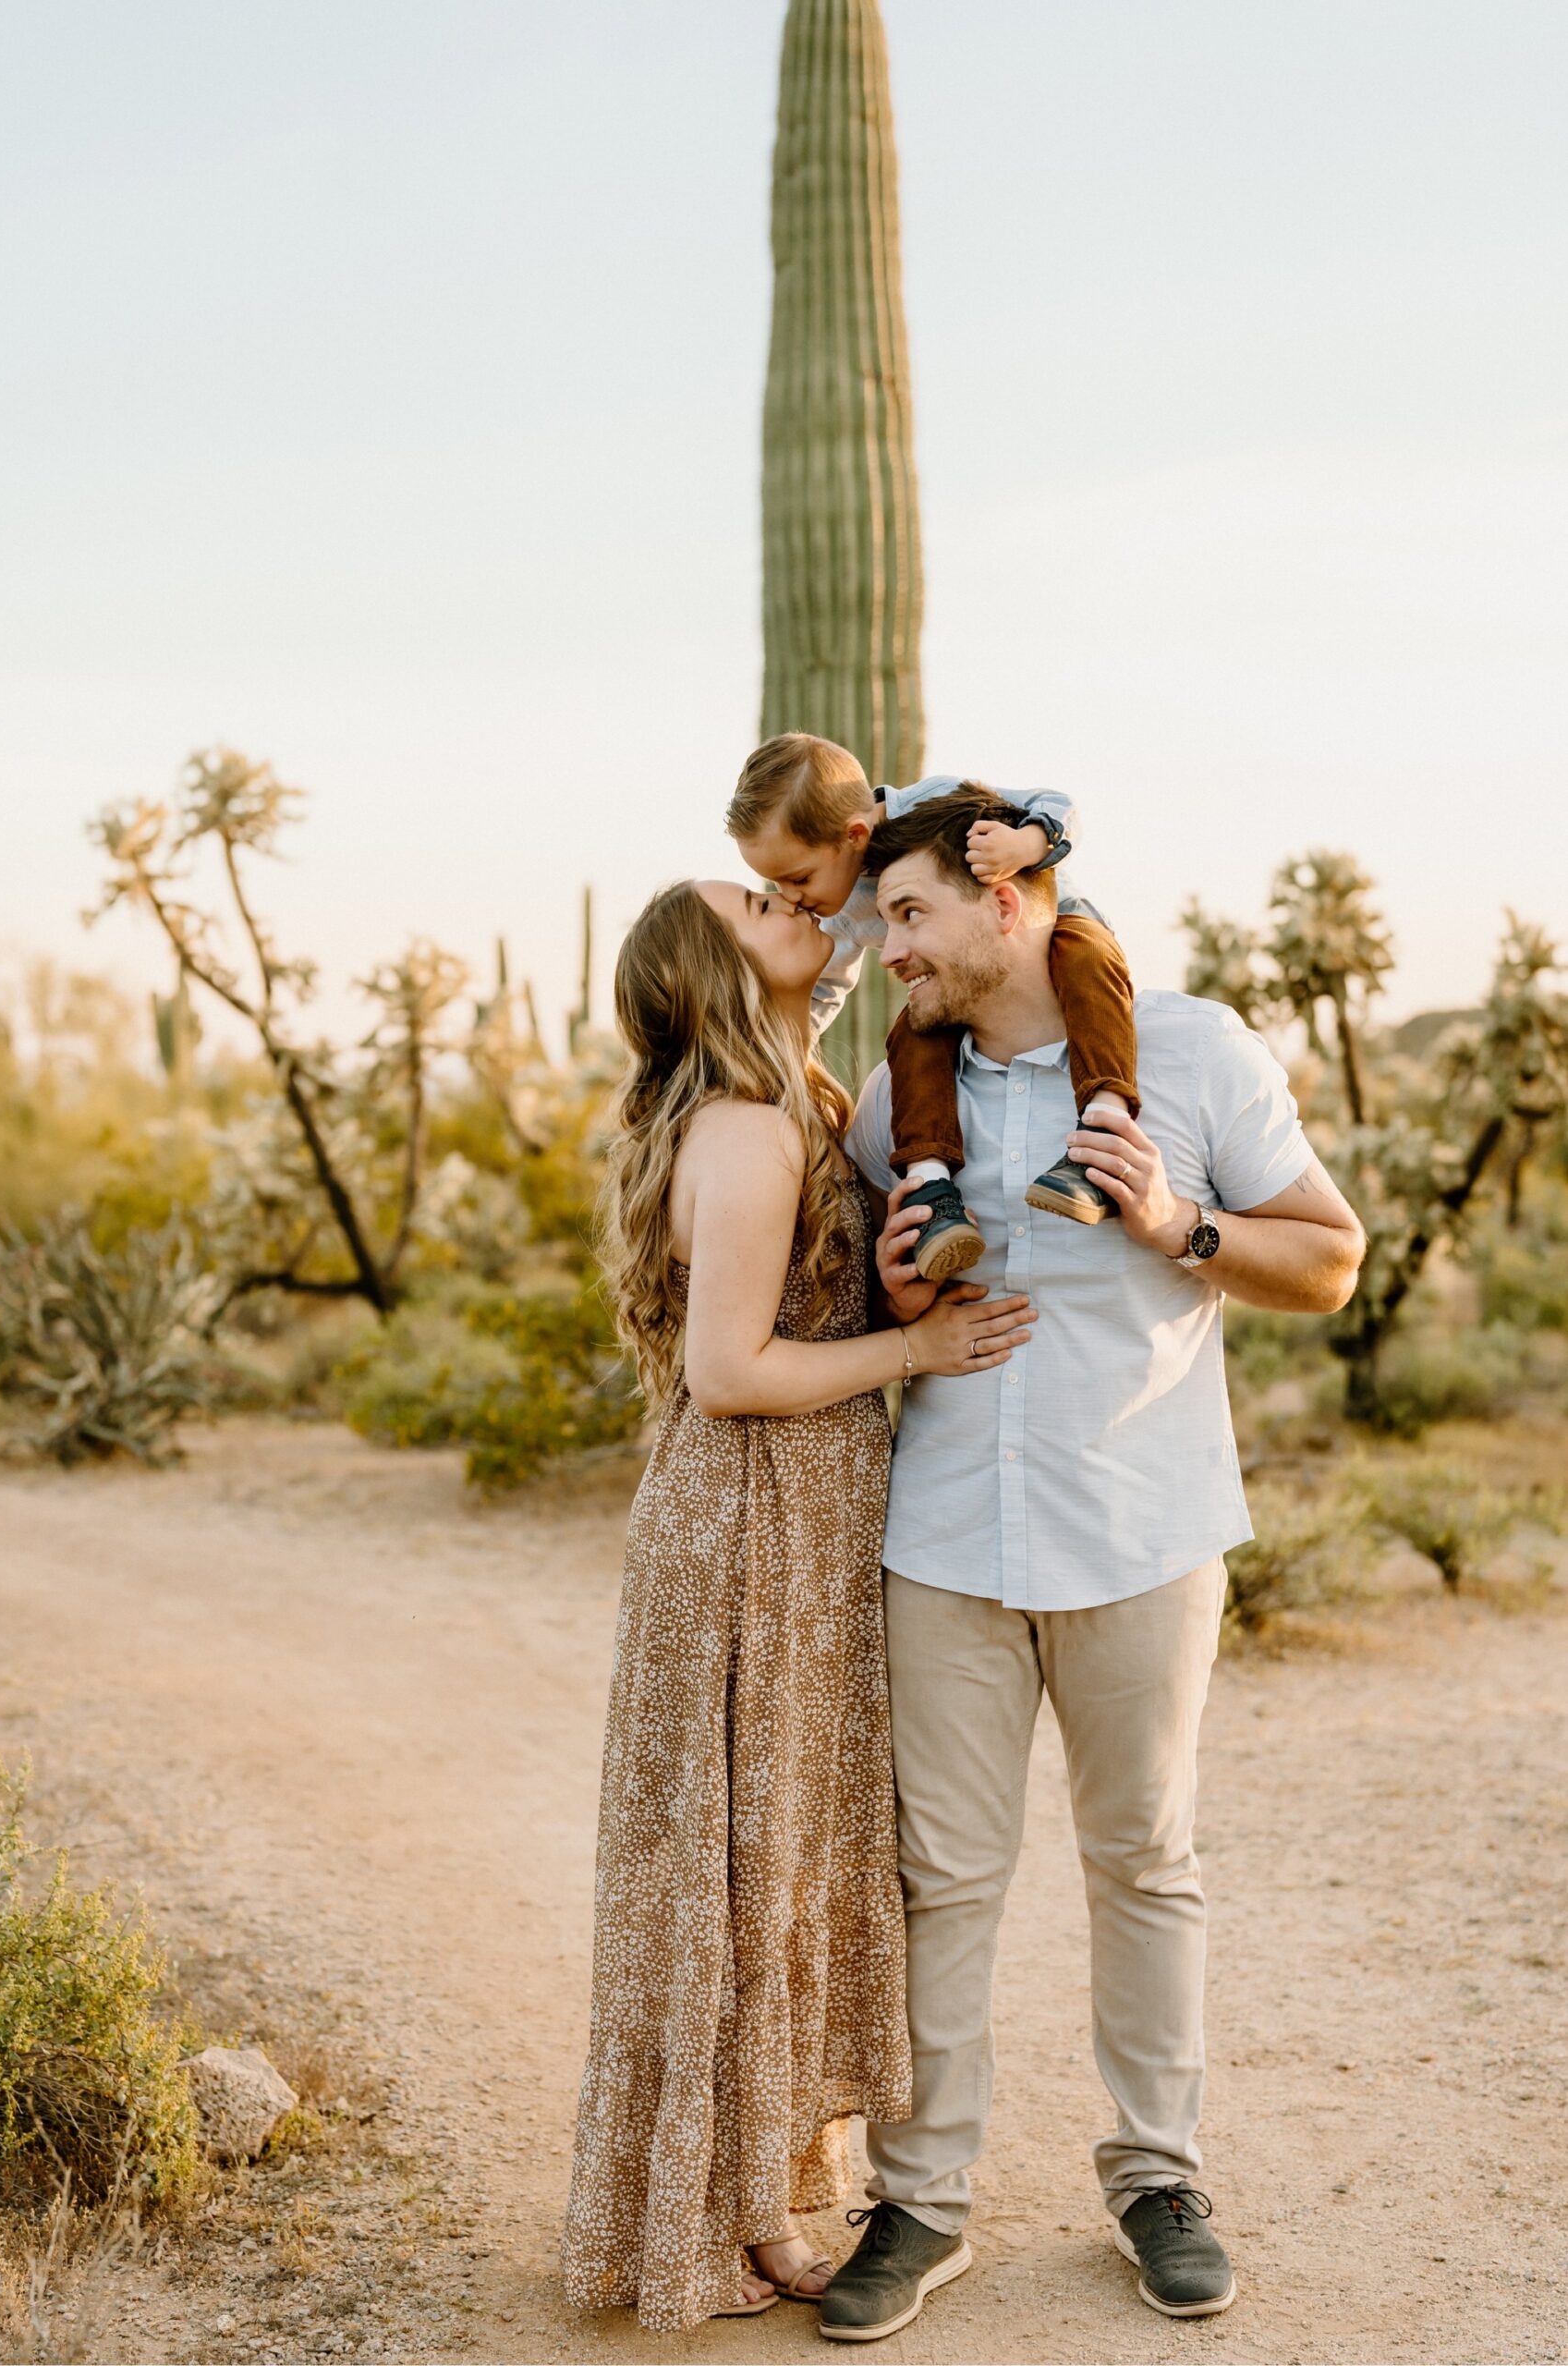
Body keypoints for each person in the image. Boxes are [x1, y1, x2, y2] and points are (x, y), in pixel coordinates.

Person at [817, 787, 1365, 2343]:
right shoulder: (891, 1101)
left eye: (907, 916)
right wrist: (892, 1287)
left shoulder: (1188, 1052)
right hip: (944, 1543)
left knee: (1143, 1862)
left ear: (1006, 899)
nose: (887, 948)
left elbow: (1328, 1259)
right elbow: (858, 1304)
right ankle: (919, 2202)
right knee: (945, 1882)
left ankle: (1156, 2179)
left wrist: (1180, 1226)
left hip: (1140, 1533)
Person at [560, 875, 1036, 2334]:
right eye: (759, 902)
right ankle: (747, 2217)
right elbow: (730, 1373)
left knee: (773, 1856)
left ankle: (747, 2185)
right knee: (742, 1867)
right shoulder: (752, 1130)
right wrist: (921, 1355)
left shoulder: (801, 1096)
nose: (798, 903)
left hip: (803, 1522)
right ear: (711, 966)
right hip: (755, 1520)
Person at [726, 732, 1140, 1280]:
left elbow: (1056, 803)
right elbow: (824, 990)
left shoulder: (933, 802)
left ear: (854, 835)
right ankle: (931, 1187)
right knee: (911, 1036)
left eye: (797, 877)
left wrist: (1027, 845)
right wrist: (775, 1062)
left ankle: (1104, 1128)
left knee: (1086, 963)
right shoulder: (842, 903)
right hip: (953, 985)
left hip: (1059, 921)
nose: (791, 897)